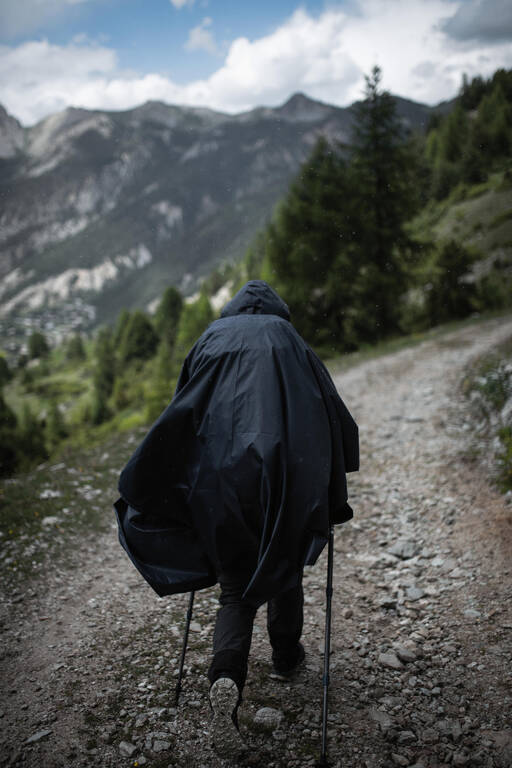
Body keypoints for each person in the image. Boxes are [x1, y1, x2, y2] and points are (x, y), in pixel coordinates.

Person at [114, 280, 359, 758]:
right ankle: (286, 658)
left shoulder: (210, 339)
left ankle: (226, 677)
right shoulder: (291, 341)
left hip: (219, 478)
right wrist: (332, 470)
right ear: (277, 309)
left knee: (235, 586)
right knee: (283, 563)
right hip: (284, 474)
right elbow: (332, 411)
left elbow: (184, 407)